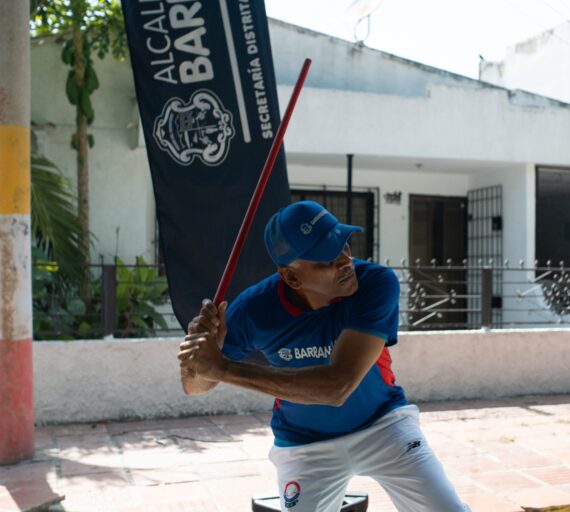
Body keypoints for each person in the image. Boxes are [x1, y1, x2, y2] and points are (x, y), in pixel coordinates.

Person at [177, 201, 468, 512]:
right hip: (304, 444)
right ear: (292, 278)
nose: (345, 261)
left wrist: (222, 368)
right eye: (327, 258)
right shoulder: (253, 309)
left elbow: (337, 387)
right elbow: (194, 387)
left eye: (343, 245)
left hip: (384, 426)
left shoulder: (375, 283)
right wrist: (198, 354)